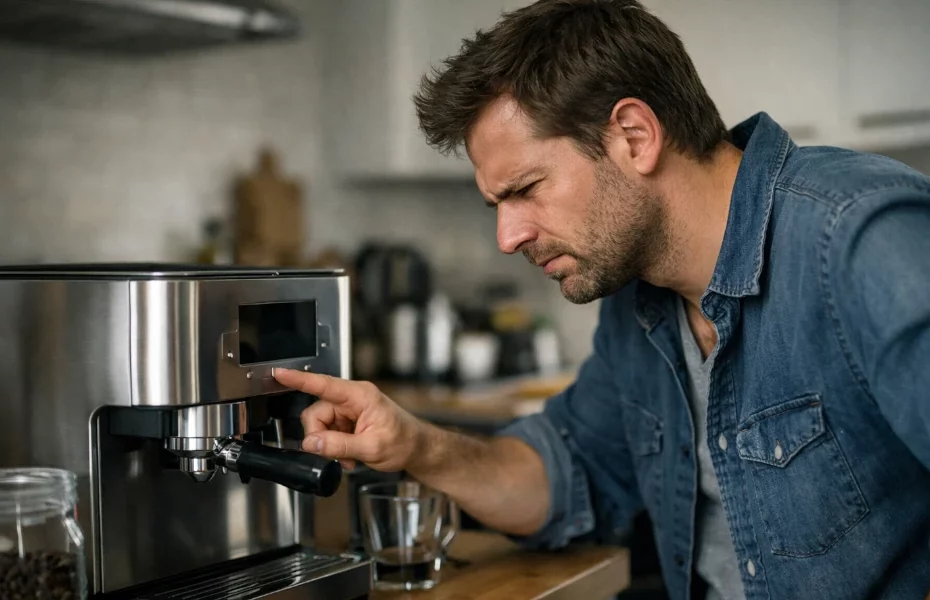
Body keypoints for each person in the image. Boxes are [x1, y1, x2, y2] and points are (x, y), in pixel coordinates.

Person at [274, 0, 930, 598]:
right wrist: (417, 445)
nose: (508, 236)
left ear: (634, 136)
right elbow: (567, 474)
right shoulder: (638, 303)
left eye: (525, 188)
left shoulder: (860, 238)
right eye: (496, 203)